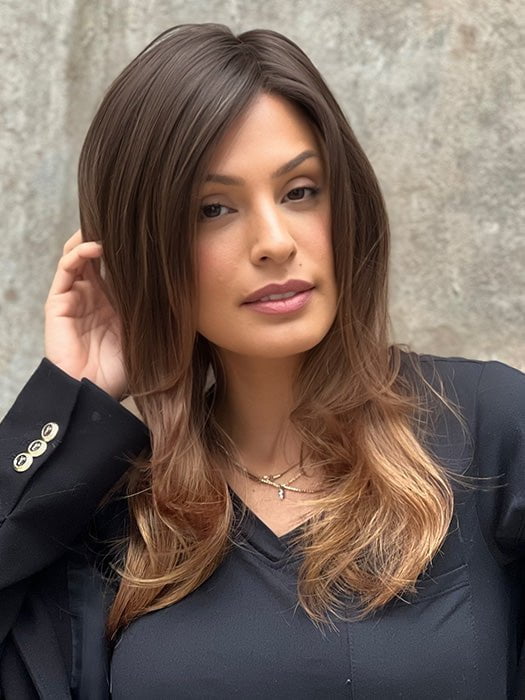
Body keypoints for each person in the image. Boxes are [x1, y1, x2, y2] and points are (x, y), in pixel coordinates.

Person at [0, 22, 524, 700]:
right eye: (213, 208)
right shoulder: (111, 513)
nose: (274, 242)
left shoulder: (487, 432)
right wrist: (66, 402)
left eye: (300, 191)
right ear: (146, 251)